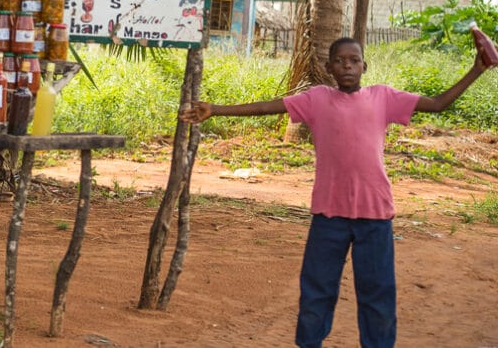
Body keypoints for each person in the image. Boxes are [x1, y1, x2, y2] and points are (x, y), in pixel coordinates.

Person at [180, 37, 494, 348]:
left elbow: (439, 103)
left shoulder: (383, 97)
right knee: (317, 289)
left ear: (364, 66)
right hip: (329, 215)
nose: (347, 65)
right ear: (329, 67)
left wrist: (477, 68)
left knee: (377, 292)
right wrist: (216, 110)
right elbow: (266, 106)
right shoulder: (316, 99)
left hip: (375, 215)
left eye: (354, 60)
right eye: (340, 60)